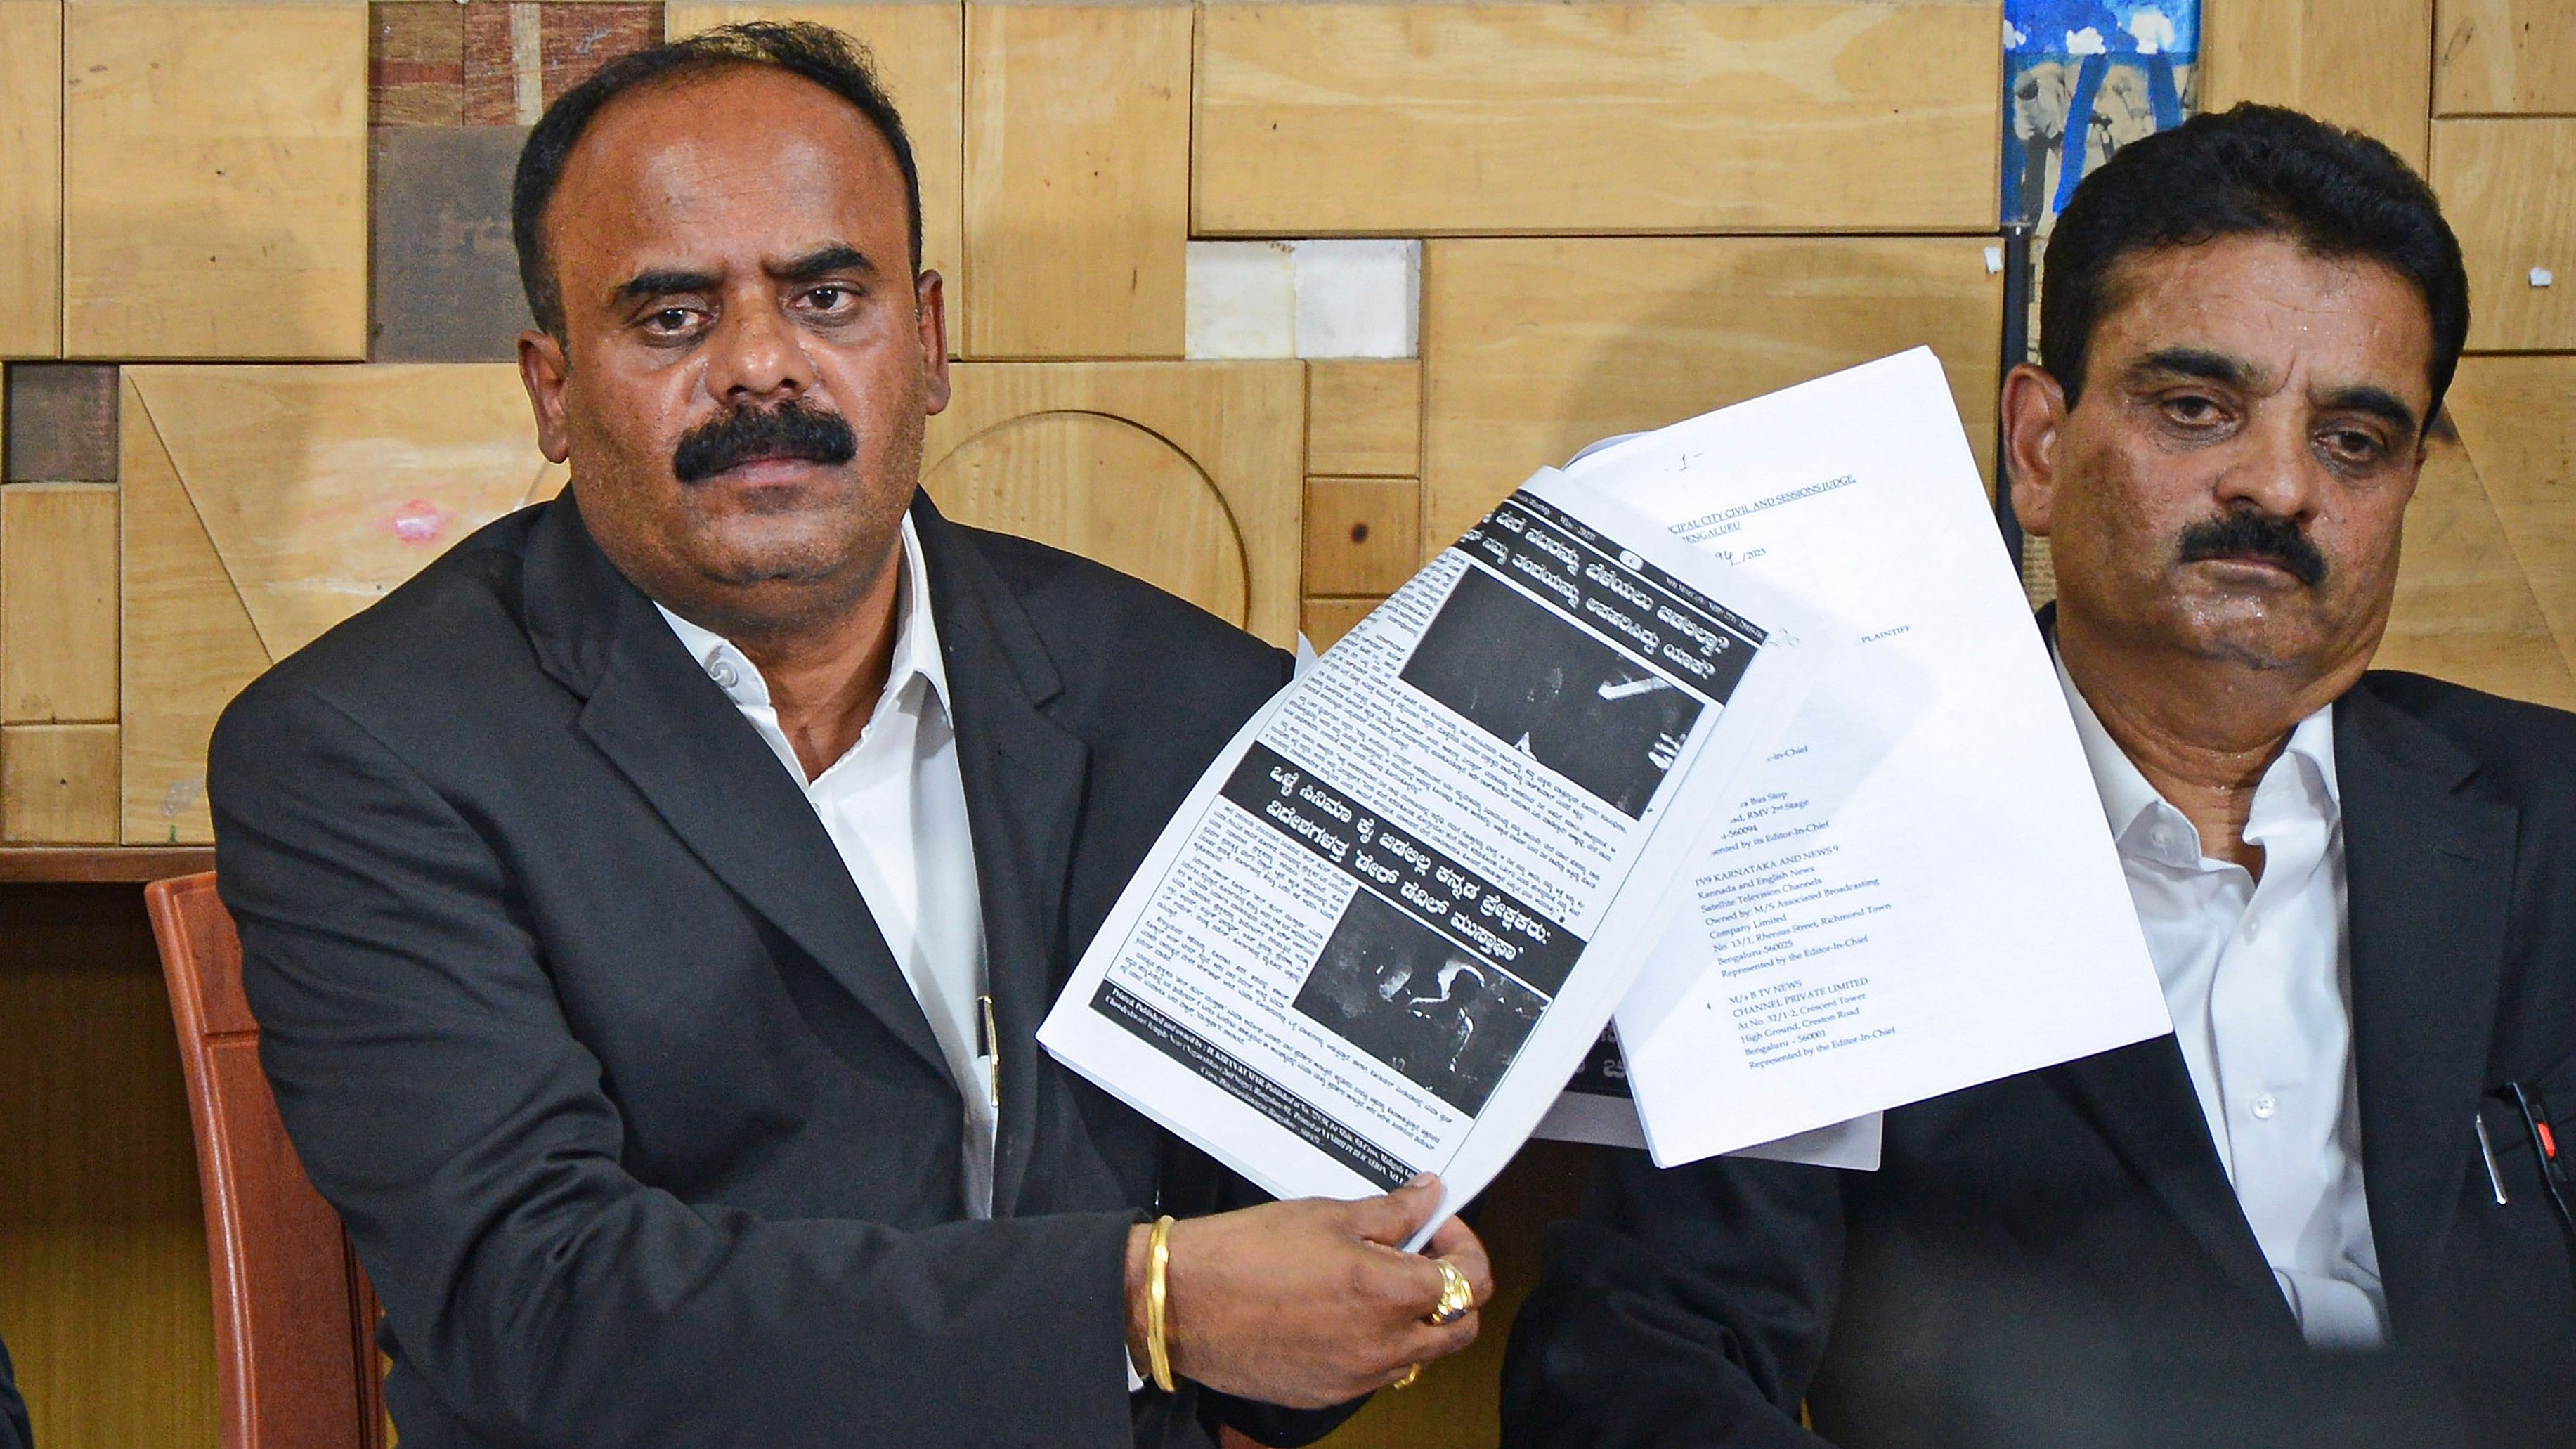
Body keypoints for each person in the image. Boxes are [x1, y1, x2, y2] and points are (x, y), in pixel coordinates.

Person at [207, 24, 1489, 1449]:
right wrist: (1140, 1306)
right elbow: (542, 1305)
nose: (762, 368)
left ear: (926, 344)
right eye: (671, 316)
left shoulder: (1191, 701)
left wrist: (1368, 1275)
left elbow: (1263, 1270)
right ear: (553, 387)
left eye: (827, 296)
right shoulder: (363, 747)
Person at [1502, 104, 2576, 1449]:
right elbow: (1628, 1367)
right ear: (2038, 447)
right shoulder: (1829, 831)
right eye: (2196, 407)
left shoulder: (2553, 825)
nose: (2280, 483)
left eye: (2353, 441)